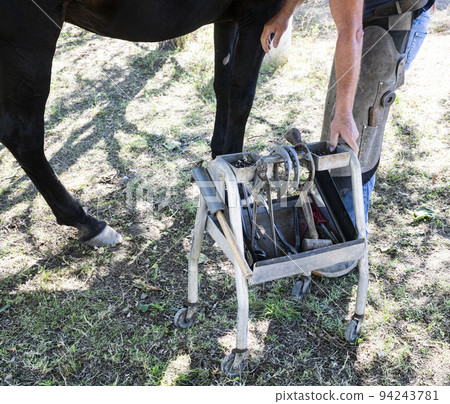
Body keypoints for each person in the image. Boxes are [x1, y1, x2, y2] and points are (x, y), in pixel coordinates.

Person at [261, 0, 435, 233]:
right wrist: (284, 14)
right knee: (340, 122)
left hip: (396, 21)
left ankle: (350, 237)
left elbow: (351, 33)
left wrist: (344, 112)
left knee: (358, 135)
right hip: (365, 18)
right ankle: (333, 222)